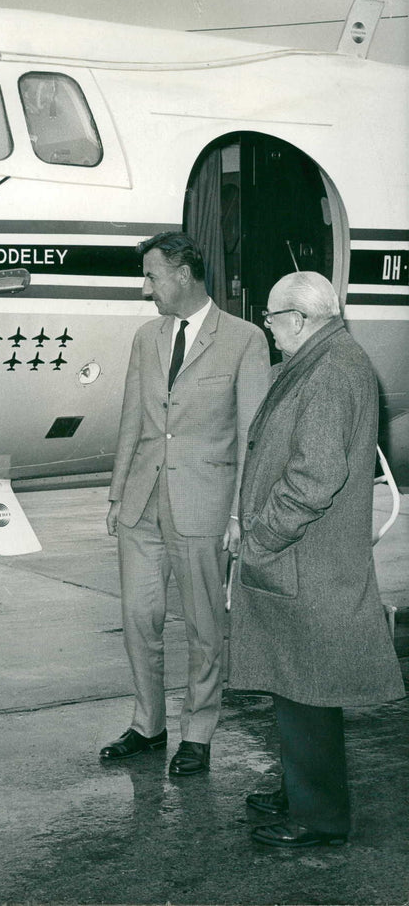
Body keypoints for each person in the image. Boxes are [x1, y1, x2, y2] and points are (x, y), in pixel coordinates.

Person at [228, 271, 403, 847]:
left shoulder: (330, 371)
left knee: (308, 692)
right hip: (304, 563)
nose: (269, 329)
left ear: (299, 319)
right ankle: (298, 790)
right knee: (294, 683)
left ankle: (319, 817)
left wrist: (259, 539)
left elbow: (312, 480)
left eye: (273, 319)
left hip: (306, 560)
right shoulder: (324, 359)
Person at [101, 231, 271, 775]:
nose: (145, 287)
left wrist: (242, 513)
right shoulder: (146, 337)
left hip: (205, 505)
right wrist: (115, 492)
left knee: (203, 626)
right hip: (141, 502)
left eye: (151, 276)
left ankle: (198, 731)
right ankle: (148, 725)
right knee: (138, 618)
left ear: (183, 274)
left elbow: (252, 435)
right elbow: (132, 417)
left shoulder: (244, 340)